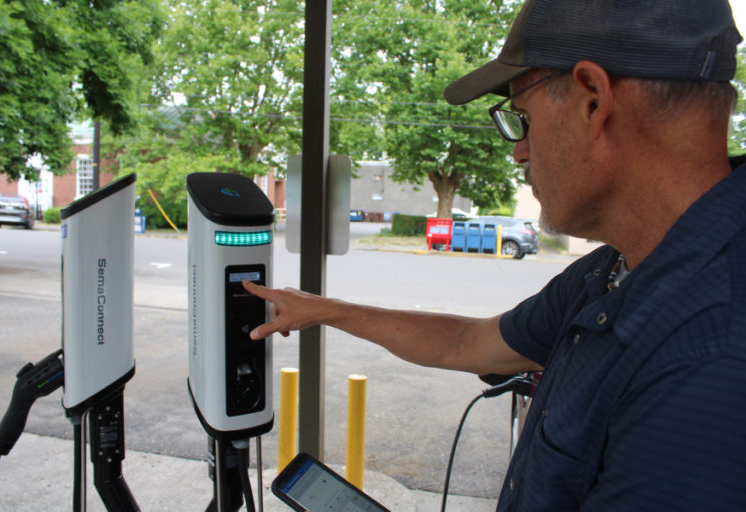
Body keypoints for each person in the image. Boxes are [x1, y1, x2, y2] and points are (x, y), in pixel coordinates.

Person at [244, 0, 746, 509]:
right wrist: (321, 309)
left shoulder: (709, 365)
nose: (518, 152)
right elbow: (469, 342)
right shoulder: (613, 271)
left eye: (522, 119)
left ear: (592, 99)